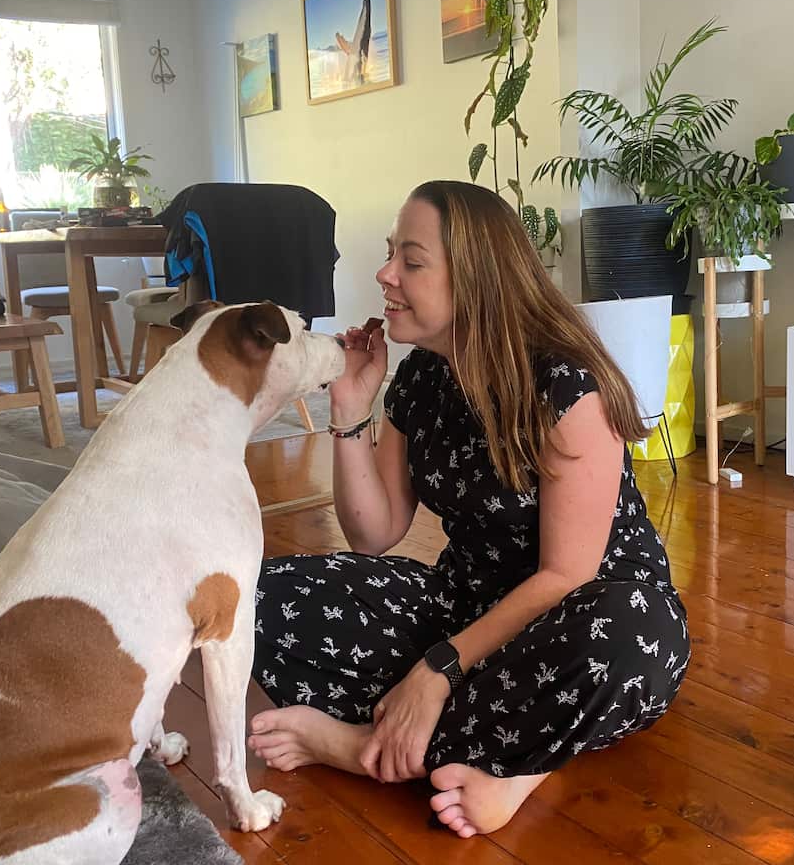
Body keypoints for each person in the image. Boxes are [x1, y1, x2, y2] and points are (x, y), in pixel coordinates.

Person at [248, 181, 689, 838]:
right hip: (466, 605)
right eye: (392, 252)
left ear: (476, 280)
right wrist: (347, 413)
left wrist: (435, 672)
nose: (386, 274)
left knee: (632, 639)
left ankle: (361, 749)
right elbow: (376, 533)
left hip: (581, 615)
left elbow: (566, 577)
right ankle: (511, 757)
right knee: (264, 597)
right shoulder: (421, 379)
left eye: (413, 261)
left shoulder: (566, 389)